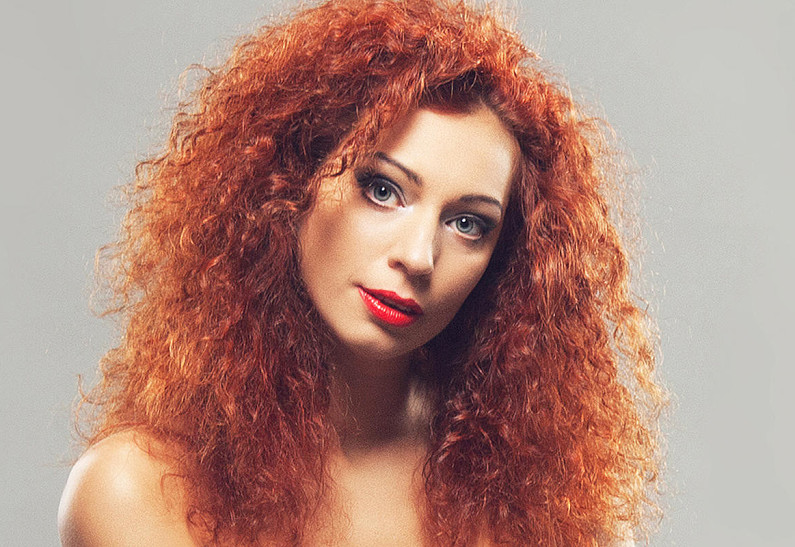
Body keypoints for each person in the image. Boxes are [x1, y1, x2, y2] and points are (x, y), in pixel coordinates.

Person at [58, 0, 665, 545]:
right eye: (382, 189)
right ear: (288, 183)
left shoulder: (534, 498)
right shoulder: (137, 492)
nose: (419, 257)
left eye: (468, 224)